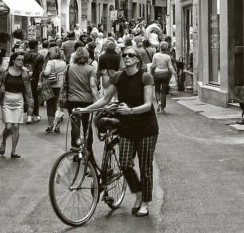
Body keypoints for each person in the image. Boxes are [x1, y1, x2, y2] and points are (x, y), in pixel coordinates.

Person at [78, 46, 158, 217]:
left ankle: (145, 202)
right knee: (124, 163)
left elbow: (148, 105)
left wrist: (130, 111)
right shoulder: (119, 76)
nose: (127, 57)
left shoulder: (145, 77)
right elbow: (105, 99)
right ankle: (138, 194)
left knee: (145, 167)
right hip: (127, 127)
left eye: (131, 55)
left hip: (146, 127)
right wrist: (85, 110)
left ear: (138, 59)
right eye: (125, 55)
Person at [0, 52, 33, 158]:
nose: (21, 62)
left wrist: (30, 104)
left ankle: (13, 151)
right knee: (8, 127)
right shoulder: (4, 71)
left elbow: (28, 90)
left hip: (19, 100)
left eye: (22, 60)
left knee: (16, 126)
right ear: (13, 60)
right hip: (6, 100)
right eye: (19, 59)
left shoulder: (25, 73)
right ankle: (4, 141)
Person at [61, 47, 99, 152]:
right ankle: (89, 150)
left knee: (75, 126)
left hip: (72, 101)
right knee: (87, 126)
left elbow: (64, 84)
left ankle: (75, 149)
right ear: (87, 56)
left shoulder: (69, 67)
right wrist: (97, 100)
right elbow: (92, 85)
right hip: (87, 102)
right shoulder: (91, 69)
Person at [42, 47, 67, 133]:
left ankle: (50, 125)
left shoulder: (50, 62)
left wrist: (43, 71)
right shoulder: (64, 63)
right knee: (59, 106)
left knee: (50, 105)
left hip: (51, 86)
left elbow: (47, 72)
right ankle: (57, 126)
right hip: (61, 86)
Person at [151, 42, 176, 113]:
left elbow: (153, 66)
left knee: (157, 90)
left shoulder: (155, 55)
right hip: (165, 74)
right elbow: (170, 67)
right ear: (166, 48)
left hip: (157, 74)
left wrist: (151, 73)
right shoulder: (168, 57)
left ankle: (158, 101)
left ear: (160, 47)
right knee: (163, 91)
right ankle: (162, 108)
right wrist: (175, 73)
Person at [24, 39, 45, 123]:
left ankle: (29, 114)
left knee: (27, 96)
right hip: (35, 79)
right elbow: (40, 70)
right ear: (36, 46)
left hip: (25, 78)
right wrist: (41, 81)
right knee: (35, 97)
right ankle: (35, 114)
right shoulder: (40, 57)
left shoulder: (24, 55)